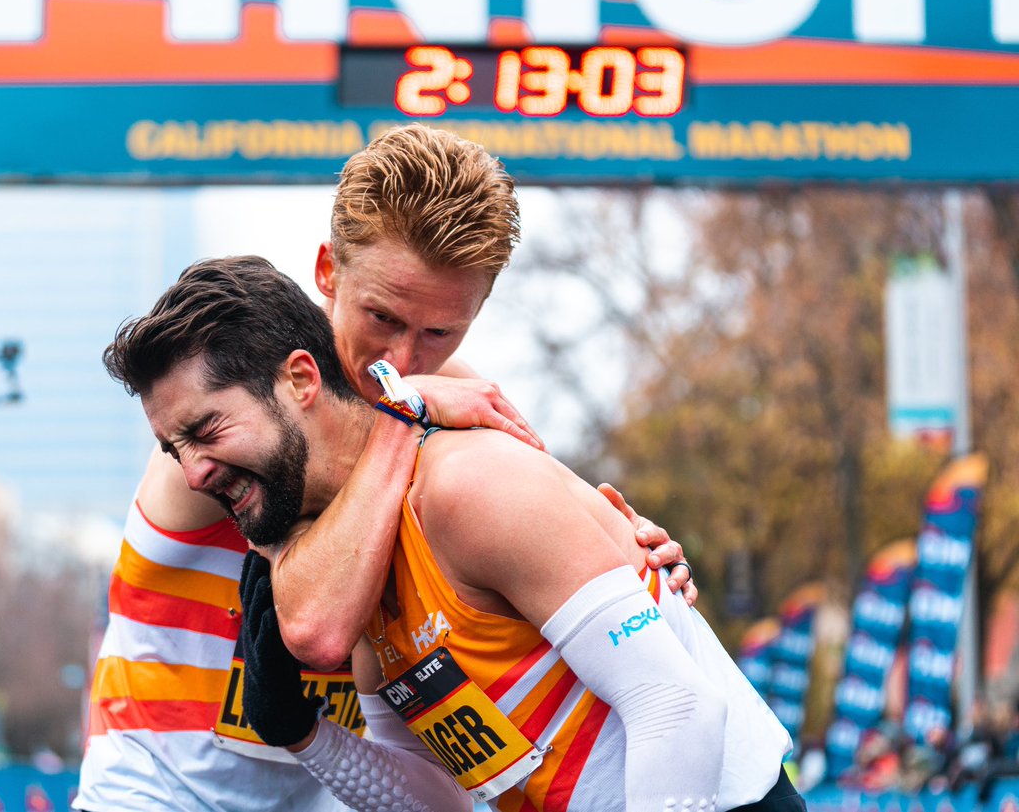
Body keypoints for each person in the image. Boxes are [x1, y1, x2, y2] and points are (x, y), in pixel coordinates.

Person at [76, 125, 694, 811]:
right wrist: (407, 413)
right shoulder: (246, 412)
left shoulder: (446, 392)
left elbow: (553, 511)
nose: (401, 356)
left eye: (439, 332)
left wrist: (633, 547)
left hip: (323, 788)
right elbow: (317, 621)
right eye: (381, 315)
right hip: (156, 792)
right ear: (327, 273)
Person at [104, 255, 801, 812]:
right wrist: (306, 735)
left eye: (207, 430)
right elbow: (441, 797)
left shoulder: (465, 486)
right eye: (174, 448)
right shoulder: (360, 572)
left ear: (301, 380)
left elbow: (677, 704)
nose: (192, 472)